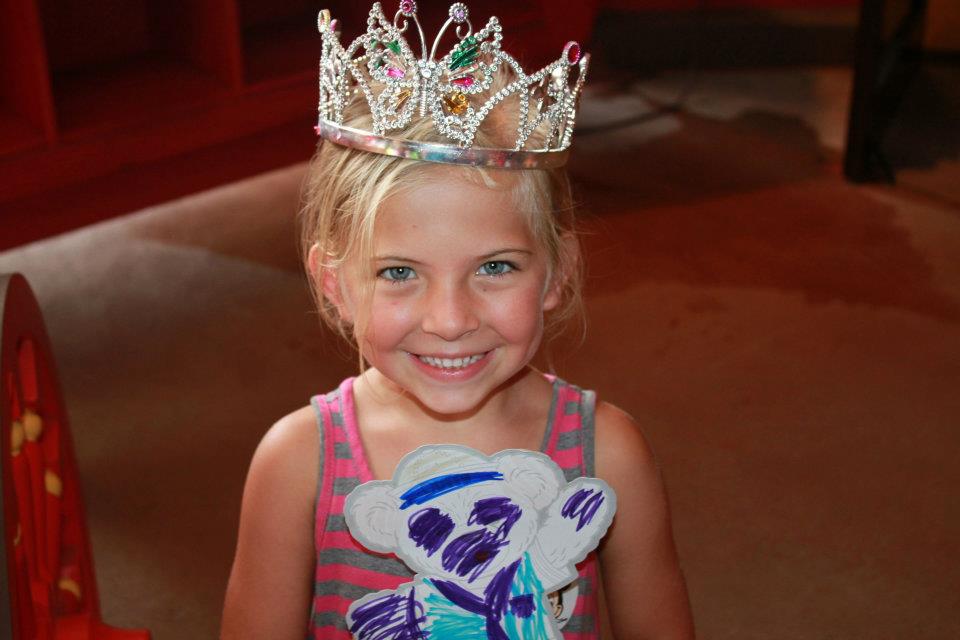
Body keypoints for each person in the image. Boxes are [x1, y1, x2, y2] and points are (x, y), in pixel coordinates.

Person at [221, 3, 694, 638]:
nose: (450, 320)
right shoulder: (297, 462)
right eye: (398, 273)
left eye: (495, 267)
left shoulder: (607, 453)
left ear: (557, 273)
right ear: (334, 285)